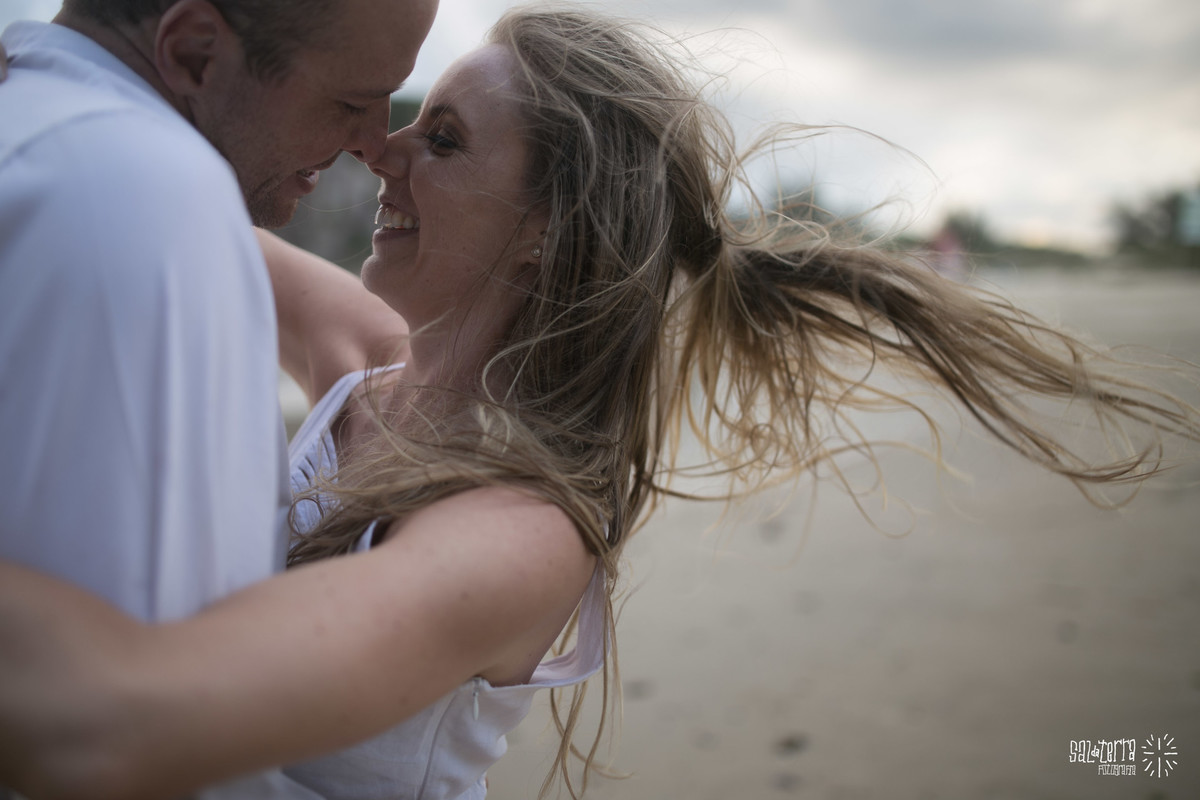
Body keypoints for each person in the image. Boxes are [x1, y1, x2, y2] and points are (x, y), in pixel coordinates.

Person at [2, 5, 1198, 800]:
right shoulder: (368, 361)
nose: (384, 150)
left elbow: (115, 714)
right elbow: (157, 184)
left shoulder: (520, 537)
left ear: (542, 237)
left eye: (447, 137)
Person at [0, 0, 435, 797]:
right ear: (196, 53)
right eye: (348, 103)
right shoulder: (140, 192)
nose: (374, 145)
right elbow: (131, 755)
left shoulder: (43, 134)